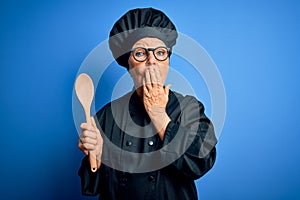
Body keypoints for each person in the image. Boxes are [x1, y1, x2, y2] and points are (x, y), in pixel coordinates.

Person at [77, 7, 217, 200]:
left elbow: (201, 162)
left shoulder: (189, 108)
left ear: (167, 60)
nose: (152, 61)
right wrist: (97, 157)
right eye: (141, 53)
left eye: (160, 53)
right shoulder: (107, 116)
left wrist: (158, 114)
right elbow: (93, 188)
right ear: (128, 65)